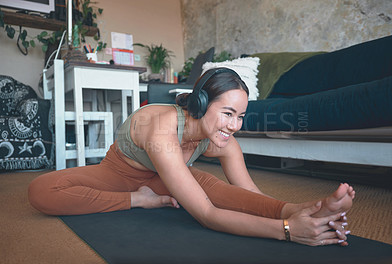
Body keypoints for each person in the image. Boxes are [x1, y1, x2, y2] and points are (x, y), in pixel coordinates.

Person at [28, 67, 355, 246]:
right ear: (199, 104)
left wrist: (300, 211)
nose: (234, 125)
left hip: (165, 176)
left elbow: (249, 194)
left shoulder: (222, 139)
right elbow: (208, 215)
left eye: (240, 116)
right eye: (227, 113)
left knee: (220, 190)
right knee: (41, 191)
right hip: (120, 173)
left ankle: (314, 212)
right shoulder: (162, 129)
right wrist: (286, 230)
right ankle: (138, 199)